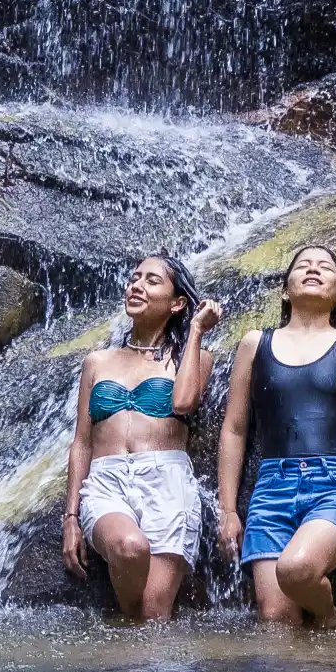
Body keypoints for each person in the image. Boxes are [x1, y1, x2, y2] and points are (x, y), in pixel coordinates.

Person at [216, 244, 336, 626]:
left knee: (297, 570)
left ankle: (330, 616)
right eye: (302, 266)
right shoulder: (254, 344)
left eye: (325, 267)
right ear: (285, 289)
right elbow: (234, 430)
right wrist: (228, 510)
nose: (313, 270)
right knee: (277, 623)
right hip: (270, 489)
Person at [63, 255, 223, 620]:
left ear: (177, 303)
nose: (136, 285)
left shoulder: (196, 358)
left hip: (168, 481)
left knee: (153, 616)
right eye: (135, 278)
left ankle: (131, 667)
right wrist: (70, 517)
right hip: (106, 481)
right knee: (129, 546)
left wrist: (196, 331)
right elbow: (82, 443)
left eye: (151, 281)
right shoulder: (97, 363)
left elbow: (182, 403)